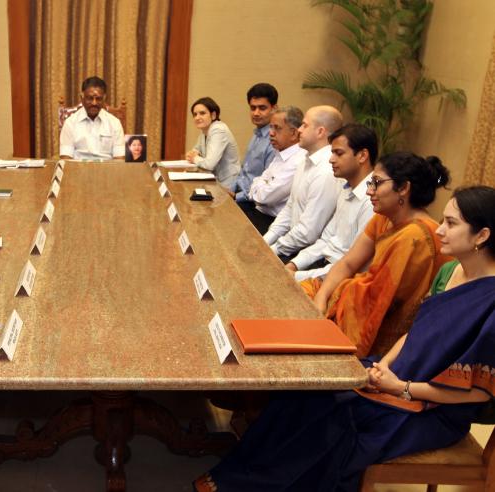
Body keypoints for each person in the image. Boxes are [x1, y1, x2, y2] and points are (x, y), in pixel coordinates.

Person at [194, 185, 495, 492]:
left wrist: (401, 388)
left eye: (451, 223)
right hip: (396, 374)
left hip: (432, 408)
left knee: (335, 419)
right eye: (443, 220)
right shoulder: (449, 272)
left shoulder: (491, 303)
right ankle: (243, 473)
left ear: (482, 236)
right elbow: (415, 332)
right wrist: (384, 366)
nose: (440, 230)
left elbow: (478, 394)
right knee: (306, 390)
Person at [301, 151, 451, 357]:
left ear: (404, 188)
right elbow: (348, 264)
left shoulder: (416, 235)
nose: (369, 191)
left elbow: (378, 298)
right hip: (356, 302)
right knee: (301, 294)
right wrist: (322, 297)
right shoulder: (384, 218)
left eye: (377, 183)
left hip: (389, 334)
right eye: (370, 183)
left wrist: (335, 296)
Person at [286, 123, 377, 281]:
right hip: (322, 267)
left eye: (338, 153)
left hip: (339, 279)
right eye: (332, 152)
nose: (331, 159)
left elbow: (352, 266)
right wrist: (294, 264)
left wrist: (297, 276)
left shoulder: (373, 201)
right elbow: (327, 239)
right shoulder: (345, 186)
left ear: (362, 156)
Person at [264, 105, 343, 260]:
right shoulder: (306, 159)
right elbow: (290, 207)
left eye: (304, 125)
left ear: (320, 132)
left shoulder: (327, 169)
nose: (299, 129)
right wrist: (265, 241)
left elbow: (308, 232)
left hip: (310, 255)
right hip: (291, 244)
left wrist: (273, 250)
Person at [242, 106, 306, 235]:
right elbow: (258, 181)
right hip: (259, 213)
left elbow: (265, 197)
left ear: (294, 133)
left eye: (277, 128)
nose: (271, 133)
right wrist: (261, 185)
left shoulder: (298, 161)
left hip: (273, 223)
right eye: (271, 127)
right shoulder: (280, 153)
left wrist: (260, 185)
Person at [232, 83, 278, 215]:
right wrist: (229, 190)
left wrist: (236, 197)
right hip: (239, 195)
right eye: (253, 108)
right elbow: (243, 173)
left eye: (262, 108)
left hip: (253, 204)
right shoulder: (256, 134)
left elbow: (267, 184)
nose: (256, 113)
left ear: (274, 108)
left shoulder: (274, 140)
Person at [59, 76, 125, 161]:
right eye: (90, 98)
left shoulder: (114, 123)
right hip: (78, 171)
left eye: (98, 99)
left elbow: (119, 159)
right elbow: (66, 159)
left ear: (104, 99)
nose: (94, 103)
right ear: (82, 98)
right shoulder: (70, 123)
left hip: (107, 172)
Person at [185, 97, 240, 190]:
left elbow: (209, 164)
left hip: (227, 184)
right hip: (214, 181)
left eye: (202, 113)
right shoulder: (205, 131)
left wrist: (194, 158)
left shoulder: (218, 130)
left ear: (213, 115)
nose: (197, 117)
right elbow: (196, 150)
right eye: (195, 114)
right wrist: (193, 154)